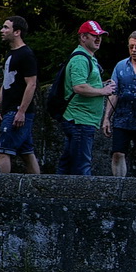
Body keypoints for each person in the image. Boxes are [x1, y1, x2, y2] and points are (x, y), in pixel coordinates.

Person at [57, 20, 115, 176]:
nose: (98, 39)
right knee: (82, 166)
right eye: (94, 35)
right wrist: (103, 91)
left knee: (67, 165)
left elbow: (86, 83)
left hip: (82, 120)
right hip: (80, 120)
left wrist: (102, 84)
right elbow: (79, 87)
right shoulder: (80, 59)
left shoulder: (88, 57)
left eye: (100, 36)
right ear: (83, 37)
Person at [0, 16, 41, 173]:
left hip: (17, 112)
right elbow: (6, 82)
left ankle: (0, 187)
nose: (2, 30)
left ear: (17, 32)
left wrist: (21, 111)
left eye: (6, 27)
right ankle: (37, 185)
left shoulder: (26, 54)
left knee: (2, 151)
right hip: (9, 109)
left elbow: (31, 84)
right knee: (27, 153)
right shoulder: (10, 54)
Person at [102, 30, 136, 177]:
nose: (134, 50)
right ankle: (118, 185)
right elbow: (114, 93)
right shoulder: (120, 66)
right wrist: (107, 118)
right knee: (117, 153)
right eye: (131, 46)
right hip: (122, 118)